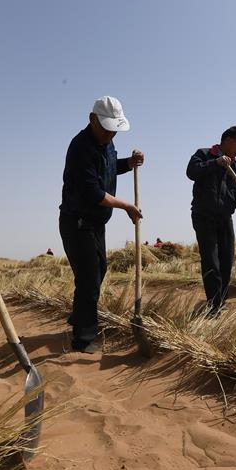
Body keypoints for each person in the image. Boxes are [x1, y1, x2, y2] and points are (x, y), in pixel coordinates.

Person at [59, 96, 143, 353]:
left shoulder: (107, 143)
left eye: (114, 129)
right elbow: (93, 192)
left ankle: (79, 317)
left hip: (96, 222)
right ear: (92, 119)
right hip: (77, 221)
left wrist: (128, 164)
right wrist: (127, 206)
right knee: (88, 277)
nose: (110, 134)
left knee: (98, 271)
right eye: (106, 128)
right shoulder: (81, 147)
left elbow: (107, 169)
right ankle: (83, 338)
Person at [186, 126, 236, 317]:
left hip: (225, 218)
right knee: (211, 261)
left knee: (227, 261)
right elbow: (192, 172)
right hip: (204, 216)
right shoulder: (204, 154)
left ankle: (221, 301)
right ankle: (213, 306)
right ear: (228, 141)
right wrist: (216, 163)